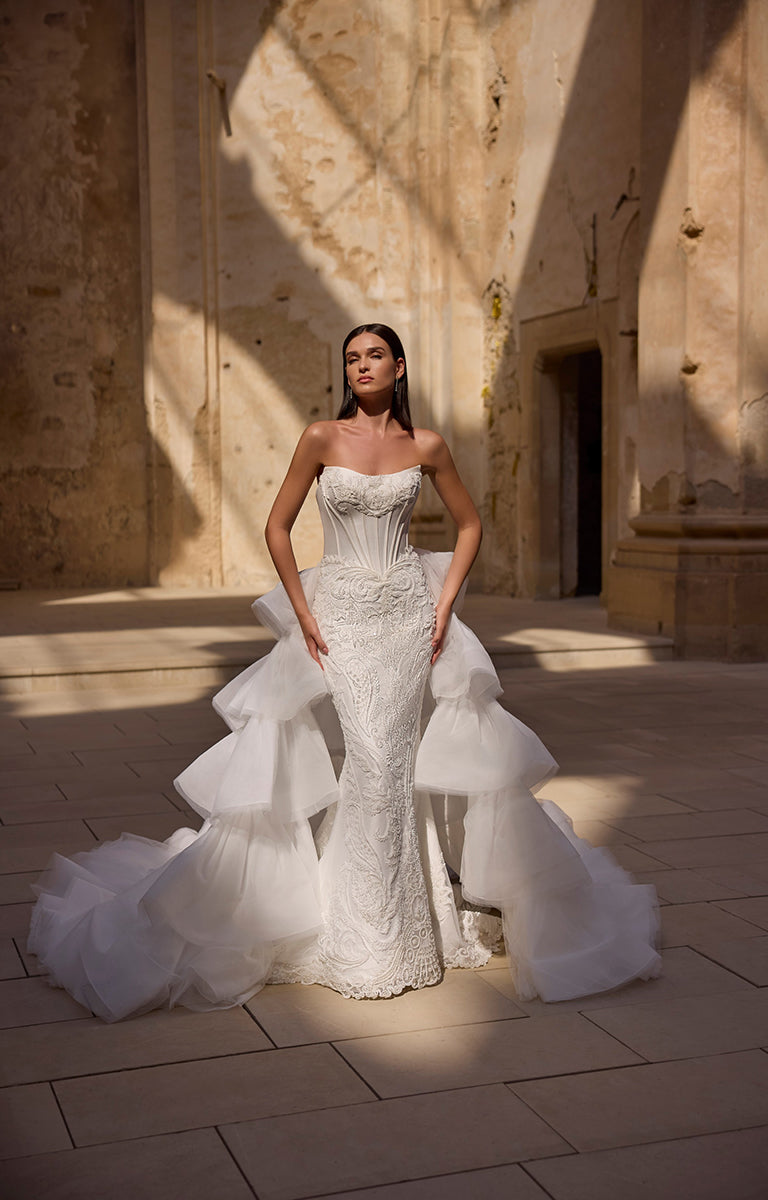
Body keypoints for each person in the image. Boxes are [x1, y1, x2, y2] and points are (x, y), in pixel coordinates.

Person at [28, 323, 661, 1021]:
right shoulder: (320, 438)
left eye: (374, 356)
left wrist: (444, 603)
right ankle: (359, 934)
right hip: (341, 620)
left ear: (399, 367)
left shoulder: (425, 446)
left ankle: (403, 932)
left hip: (405, 620)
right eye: (352, 357)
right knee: (370, 759)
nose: (362, 366)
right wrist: (303, 610)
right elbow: (277, 526)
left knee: (389, 764)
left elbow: (470, 525)